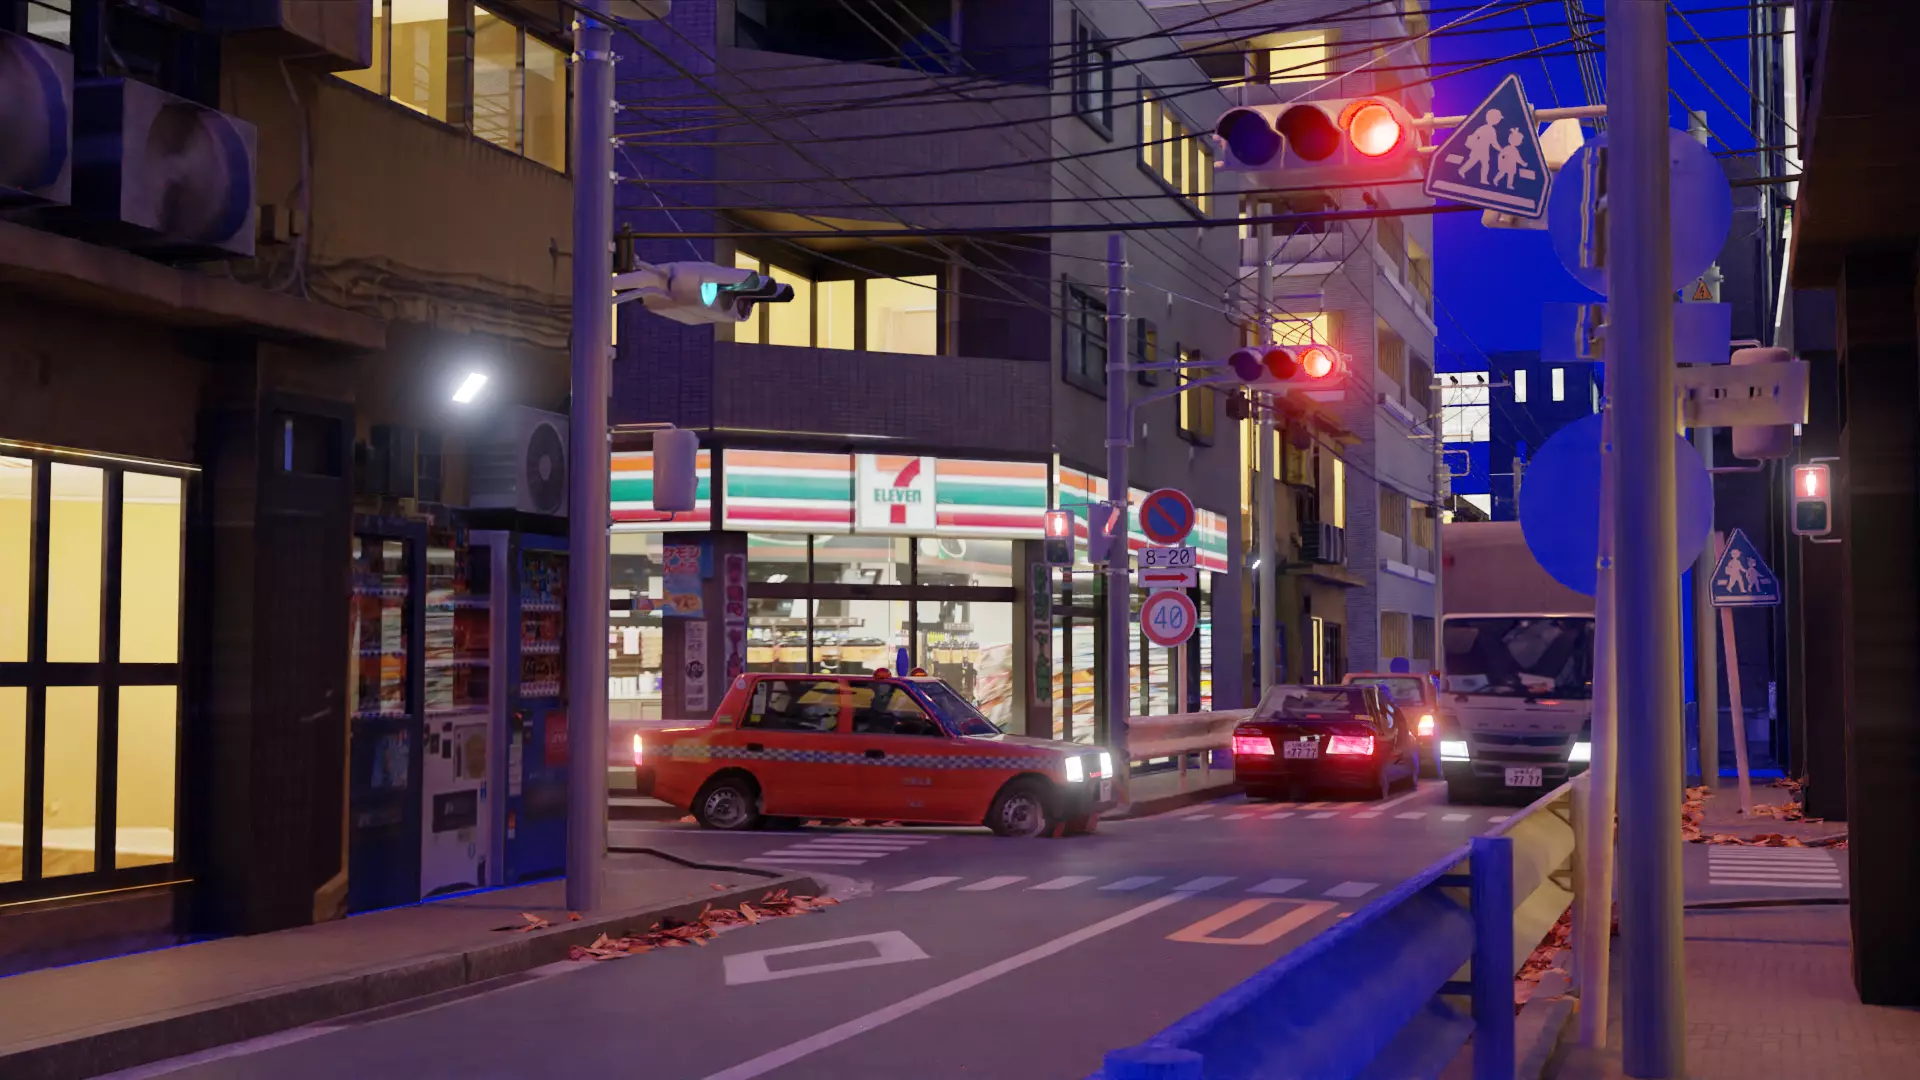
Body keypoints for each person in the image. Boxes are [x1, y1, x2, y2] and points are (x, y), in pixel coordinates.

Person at [1460, 107, 1502, 185]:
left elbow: (1492, 141)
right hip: (1480, 149)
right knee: (1479, 163)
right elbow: (1494, 142)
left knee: (1480, 163)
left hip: (1481, 150)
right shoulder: (1490, 130)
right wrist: (1500, 150)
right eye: (1498, 119)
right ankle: (1464, 171)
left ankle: (1481, 178)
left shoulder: (1484, 128)